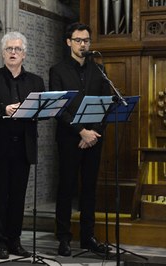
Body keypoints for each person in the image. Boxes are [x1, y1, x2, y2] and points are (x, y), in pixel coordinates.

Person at [0, 31, 45, 260]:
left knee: (18, 197)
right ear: (2, 53)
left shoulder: (36, 81)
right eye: (9, 49)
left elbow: (44, 111)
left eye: (17, 49)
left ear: (24, 54)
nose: (13, 53)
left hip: (23, 146)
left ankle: (14, 240)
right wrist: (3, 110)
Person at [49, 22, 111, 257]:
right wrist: (80, 132)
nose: (83, 44)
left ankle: (88, 237)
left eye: (86, 40)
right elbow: (58, 108)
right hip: (69, 138)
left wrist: (93, 132)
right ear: (68, 42)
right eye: (78, 40)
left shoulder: (99, 70)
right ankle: (63, 239)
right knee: (65, 188)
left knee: (89, 190)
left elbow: (107, 105)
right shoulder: (58, 70)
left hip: (94, 138)